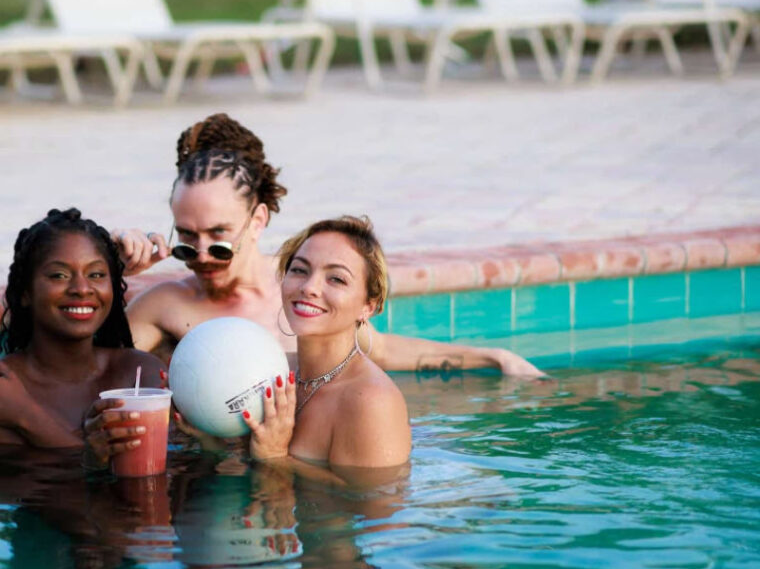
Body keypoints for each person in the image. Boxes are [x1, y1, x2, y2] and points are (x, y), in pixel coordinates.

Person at [114, 113, 543, 377]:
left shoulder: (304, 291)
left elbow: (385, 351)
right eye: (186, 240)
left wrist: (492, 357)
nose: (203, 255)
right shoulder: (167, 306)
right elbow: (80, 374)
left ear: (257, 219)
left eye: (219, 237)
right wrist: (112, 275)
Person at [0, 208, 163, 464]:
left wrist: (25, 415)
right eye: (59, 275)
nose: (81, 289)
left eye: (96, 274)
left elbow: (169, 475)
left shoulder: (140, 375)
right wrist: (86, 454)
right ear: (25, 292)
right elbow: (24, 498)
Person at [241, 216, 411, 485]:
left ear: (368, 306)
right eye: (299, 270)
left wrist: (275, 458)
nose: (309, 288)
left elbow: (376, 507)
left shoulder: (371, 401)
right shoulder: (273, 373)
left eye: (336, 279)